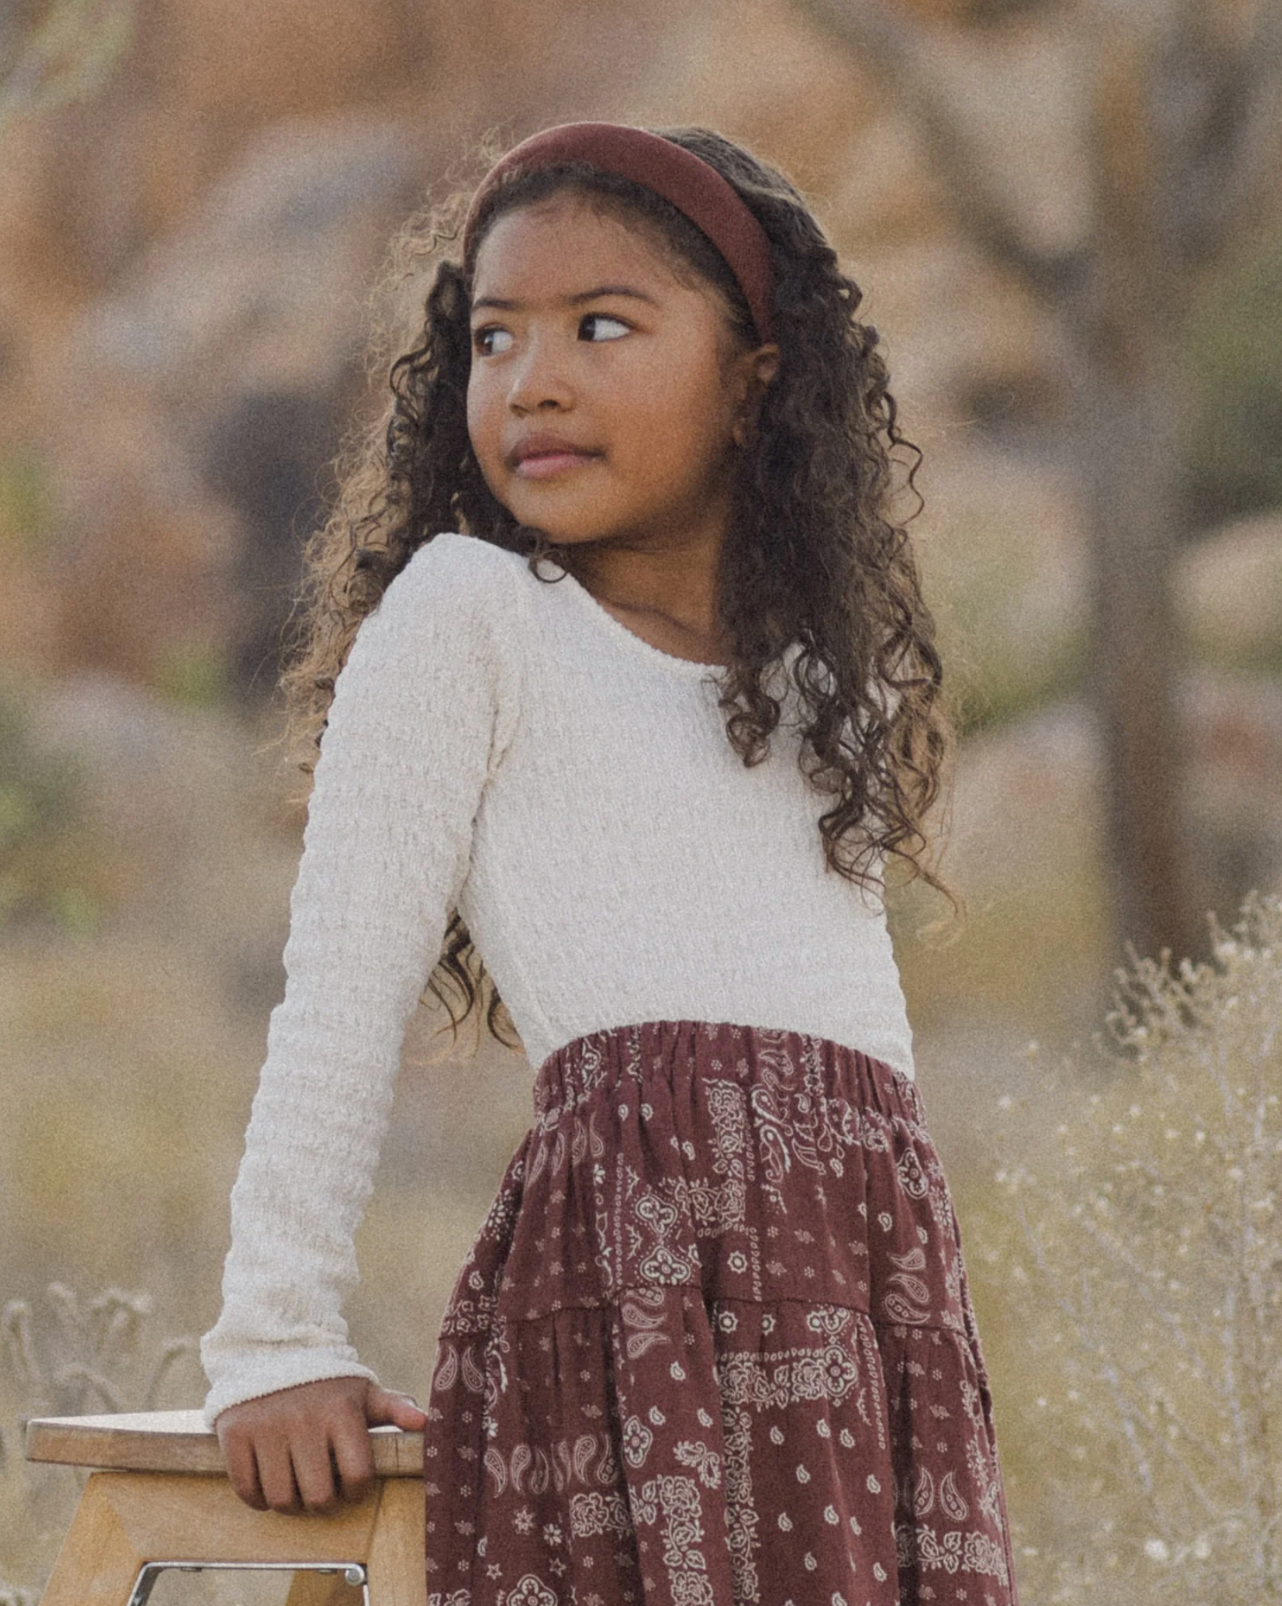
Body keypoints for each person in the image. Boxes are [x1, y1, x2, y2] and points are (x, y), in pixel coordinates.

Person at [201, 120, 1020, 1606]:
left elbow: (852, 1072)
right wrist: (275, 1337)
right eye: (493, 337)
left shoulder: (817, 693)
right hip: (631, 1321)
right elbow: (336, 988)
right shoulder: (472, 617)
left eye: (599, 325)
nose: (533, 381)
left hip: (867, 1310)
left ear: (751, 384)